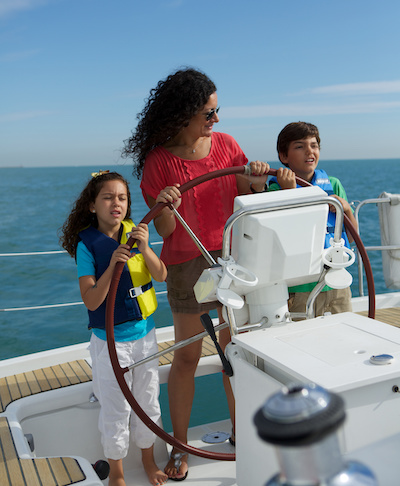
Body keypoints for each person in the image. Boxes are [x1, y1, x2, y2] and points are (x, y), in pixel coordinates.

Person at [122, 68, 269, 480]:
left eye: (217, 111)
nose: (216, 120)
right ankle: (179, 446)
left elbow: (247, 193)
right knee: (187, 356)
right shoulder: (158, 161)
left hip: (233, 258)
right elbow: (166, 231)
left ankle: (242, 438)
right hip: (188, 267)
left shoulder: (226, 145)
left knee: (235, 355)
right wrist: (167, 204)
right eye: (209, 113)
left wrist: (256, 178)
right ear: (184, 113)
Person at [60, 171, 168, 486]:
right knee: (115, 407)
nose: (116, 203)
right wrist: (112, 267)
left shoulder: (137, 232)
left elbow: (160, 275)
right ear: (93, 205)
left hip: (145, 337)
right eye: (107, 197)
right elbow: (92, 301)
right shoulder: (87, 247)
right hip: (110, 344)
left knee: (148, 400)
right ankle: (117, 473)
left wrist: (146, 249)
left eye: (121, 198)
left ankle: (149, 461)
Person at [268, 121, 357, 317]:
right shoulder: (275, 190)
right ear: (284, 156)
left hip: (337, 284)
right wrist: (290, 193)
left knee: (342, 337)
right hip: (299, 287)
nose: (309, 151)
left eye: (314, 145)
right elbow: (281, 238)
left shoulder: (333, 185)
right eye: (299, 146)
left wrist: (347, 209)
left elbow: (351, 238)